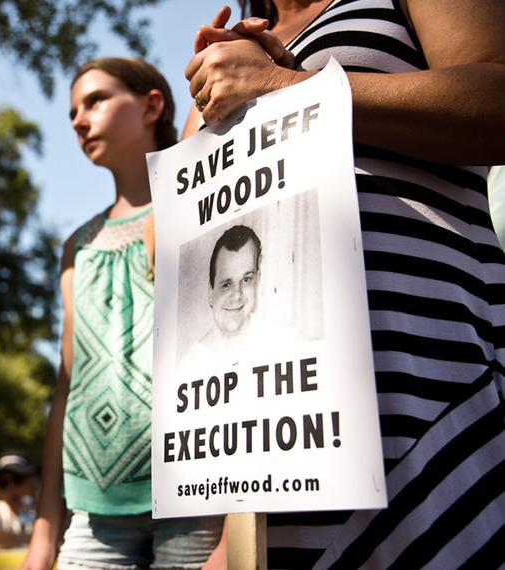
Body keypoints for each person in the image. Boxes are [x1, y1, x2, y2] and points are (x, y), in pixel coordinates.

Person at [185, 1, 505, 567]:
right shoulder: (248, 43)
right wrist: (215, 89)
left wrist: (294, 88)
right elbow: (168, 249)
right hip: (271, 448)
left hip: (431, 410)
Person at [22, 57, 223, 570]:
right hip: (95, 512)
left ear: (152, 105)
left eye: (95, 100)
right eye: (72, 111)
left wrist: (237, 526)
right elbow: (67, 385)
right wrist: (46, 532)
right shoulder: (77, 246)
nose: (77, 120)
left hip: (196, 494)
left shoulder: (203, 207)